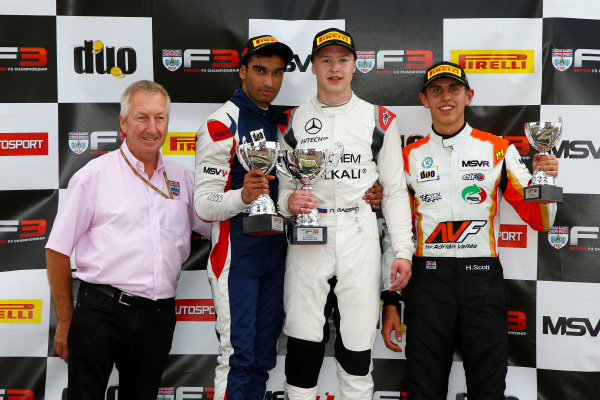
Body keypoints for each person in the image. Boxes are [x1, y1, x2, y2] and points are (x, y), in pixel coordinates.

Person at [381, 61, 559, 399]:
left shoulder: (498, 149)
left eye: (453, 89)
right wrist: (390, 299)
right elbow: (396, 235)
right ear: (424, 99)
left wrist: (546, 179)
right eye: (436, 90)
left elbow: (542, 221)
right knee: (422, 390)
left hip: (482, 282)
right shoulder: (406, 157)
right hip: (427, 284)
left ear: (468, 95)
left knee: (488, 390)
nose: (445, 97)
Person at [45, 80, 209, 400]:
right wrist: (65, 321)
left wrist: (250, 203)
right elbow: (57, 250)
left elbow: (217, 230)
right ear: (123, 122)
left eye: (160, 118)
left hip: (157, 316)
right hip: (100, 311)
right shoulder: (94, 176)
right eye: (141, 117)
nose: (152, 127)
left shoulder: (183, 179)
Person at [277, 28, 414, 399]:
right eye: (326, 60)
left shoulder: (380, 119)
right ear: (314, 66)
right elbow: (284, 189)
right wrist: (288, 204)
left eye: (342, 59)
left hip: (359, 233)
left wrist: (402, 251)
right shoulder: (293, 120)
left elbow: (396, 192)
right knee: (303, 346)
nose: (334, 67)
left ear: (356, 65)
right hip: (309, 237)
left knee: (356, 348)